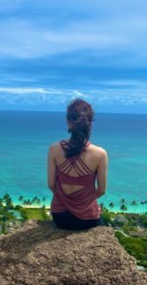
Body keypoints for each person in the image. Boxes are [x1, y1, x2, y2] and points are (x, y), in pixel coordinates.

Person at [48, 98, 108, 230]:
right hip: (87, 218)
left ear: (68, 122)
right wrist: (83, 203)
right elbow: (102, 190)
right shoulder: (100, 153)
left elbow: (51, 185)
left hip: (60, 216)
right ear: (90, 124)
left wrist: (66, 201)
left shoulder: (54, 149)